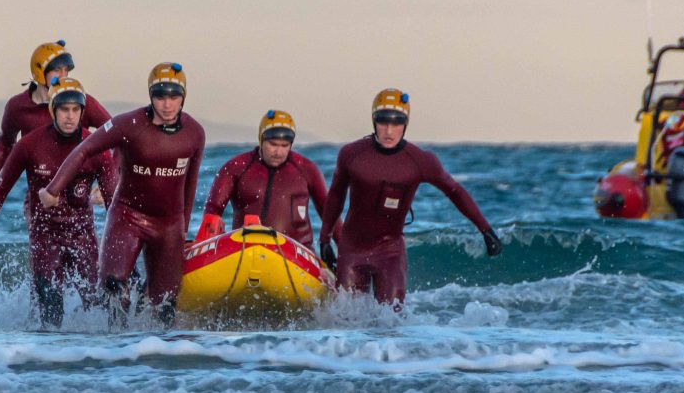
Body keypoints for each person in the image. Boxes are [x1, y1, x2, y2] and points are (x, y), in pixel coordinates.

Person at [42, 62, 205, 325]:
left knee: (165, 306)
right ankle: (117, 357)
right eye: (160, 96)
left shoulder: (195, 134)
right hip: (128, 218)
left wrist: (182, 230)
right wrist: (53, 189)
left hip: (168, 225)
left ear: (183, 97)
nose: (167, 104)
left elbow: (191, 183)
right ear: (151, 96)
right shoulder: (129, 124)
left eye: (174, 96)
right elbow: (83, 150)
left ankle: (157, 361)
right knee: (113, 288)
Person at [319, 88, 501, 307]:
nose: (389, 130)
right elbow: (336, 196)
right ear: (374, 122)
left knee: (391, 322)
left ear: (405, 124)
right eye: (383, 122)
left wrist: (486, 230)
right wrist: (325, 238)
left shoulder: (420, 161)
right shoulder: (351, 154)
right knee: (346, 321)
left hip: (389, 252)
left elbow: (454, 191)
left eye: (396, 123)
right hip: (352, 250)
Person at [0, 78, 117, 327]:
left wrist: (121, 259)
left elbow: (114, 205)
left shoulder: (96, 147)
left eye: (75, 110)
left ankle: (91, 362)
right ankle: (47, 361)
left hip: (82, 235)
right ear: (52, 111)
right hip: (45, 236)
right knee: (50, 309)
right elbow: (0, 190)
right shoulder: (29, 145)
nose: (70, 116)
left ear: (82, 112)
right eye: (64, 110)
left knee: (98, 305)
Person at [0, 41, 112, 214]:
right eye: (57, 70)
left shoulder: (79, 101)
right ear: (40, 72)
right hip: (39, 194)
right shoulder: (17, 107)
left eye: (67, 70)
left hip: (77, 194)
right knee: (39, 232)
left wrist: (110, 184)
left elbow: (118, 136)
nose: (64, 76)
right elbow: (5, 144)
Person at [197, 109, 327, 248]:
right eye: (273, 144)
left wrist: (330, 246)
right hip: (245, 249)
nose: (278, 152)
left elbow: (330, 214)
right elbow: (213, 210)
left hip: (296, 253)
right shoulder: (237, 167)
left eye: (285, 145)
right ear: (261, 139)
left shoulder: (306, 169)